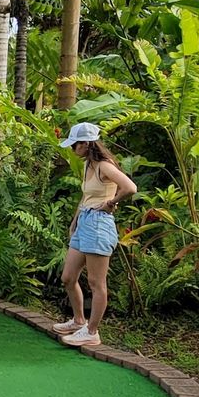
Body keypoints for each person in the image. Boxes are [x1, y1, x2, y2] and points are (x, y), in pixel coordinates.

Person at [53, 123, 137, 347]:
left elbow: (130, 187)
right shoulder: (88, 165)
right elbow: (85, 198)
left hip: (99, 224)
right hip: (84, 222)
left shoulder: (103, 166)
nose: (73, 150)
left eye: (75, 146)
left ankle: (92, 331)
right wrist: (74, 222)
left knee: (95, 282)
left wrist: (110, 203)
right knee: (68, 277)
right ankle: (78, 321)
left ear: (86, 144)